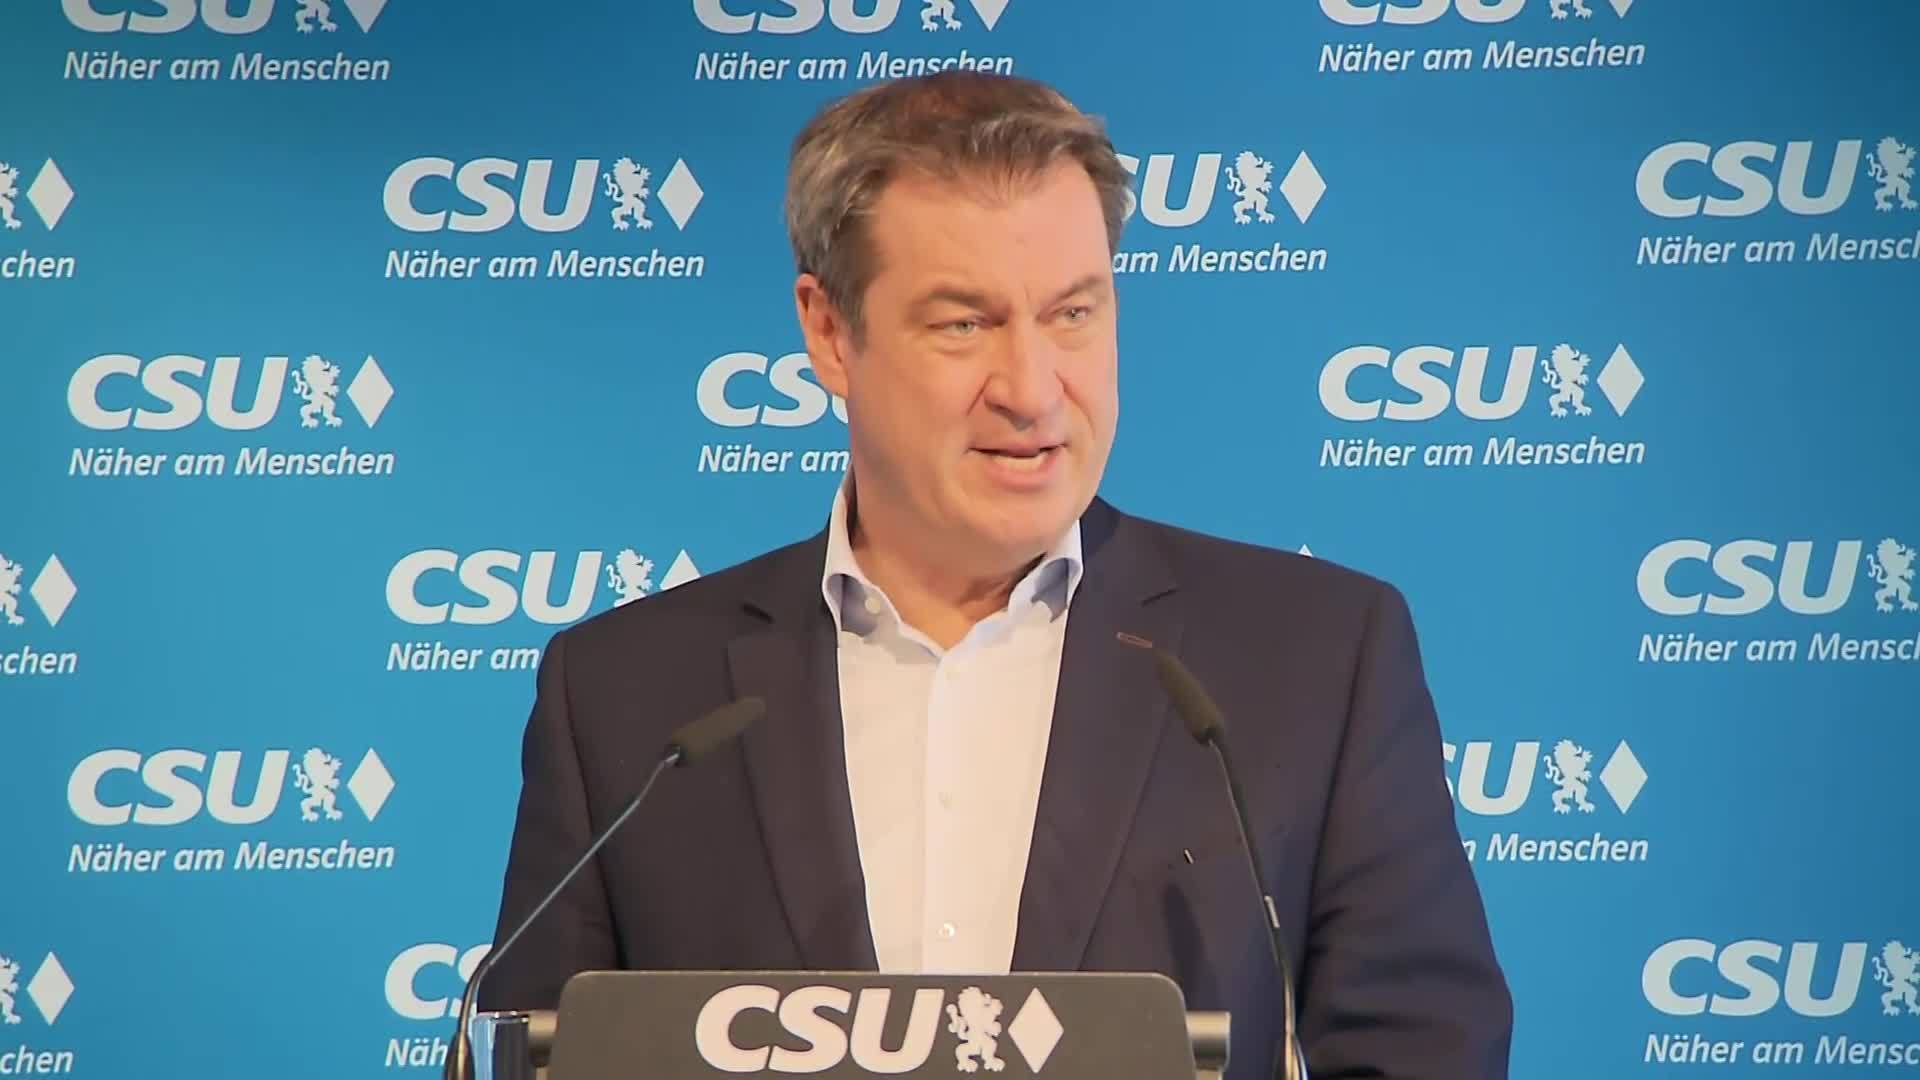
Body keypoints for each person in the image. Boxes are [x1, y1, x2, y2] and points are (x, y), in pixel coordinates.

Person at [479, 70, 1512, 1078]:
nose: (1032, 390)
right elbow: (540, 1051)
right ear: (830, 334)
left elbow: (1425, 1051)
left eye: (1072, 315)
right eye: (964, 323)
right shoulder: (626, 696)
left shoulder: (1316, 657)